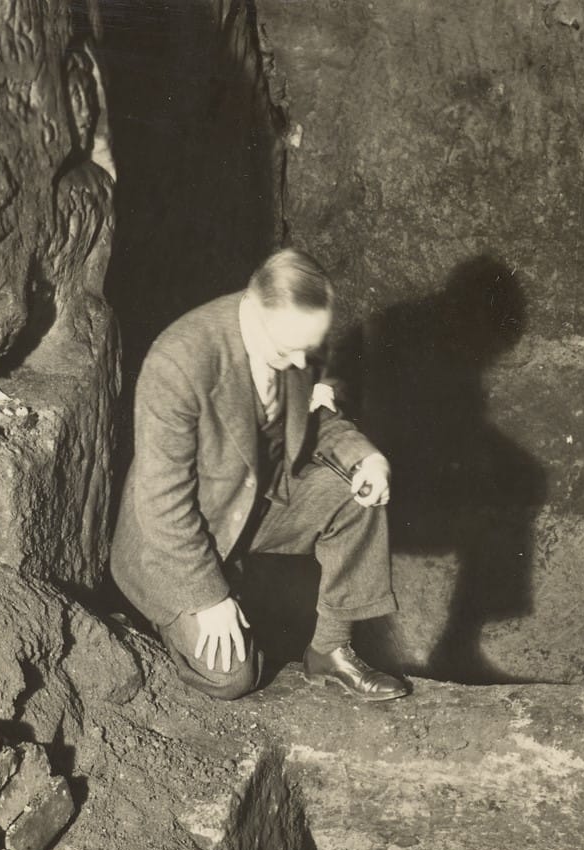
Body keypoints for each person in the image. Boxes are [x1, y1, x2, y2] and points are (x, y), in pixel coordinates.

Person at [110, 248, 410, 702]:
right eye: (285, 351)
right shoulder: (179, 362)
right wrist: (208, 598)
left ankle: (330, 651)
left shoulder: (293, 338)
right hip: (174, 537)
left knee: (354, 496)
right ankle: (159, 620)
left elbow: (313, 418)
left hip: (251, 501)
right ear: (252, 306)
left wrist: (364, 456)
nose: (297, 363)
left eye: (305, 351)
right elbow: (161, 504)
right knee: (232, 677)